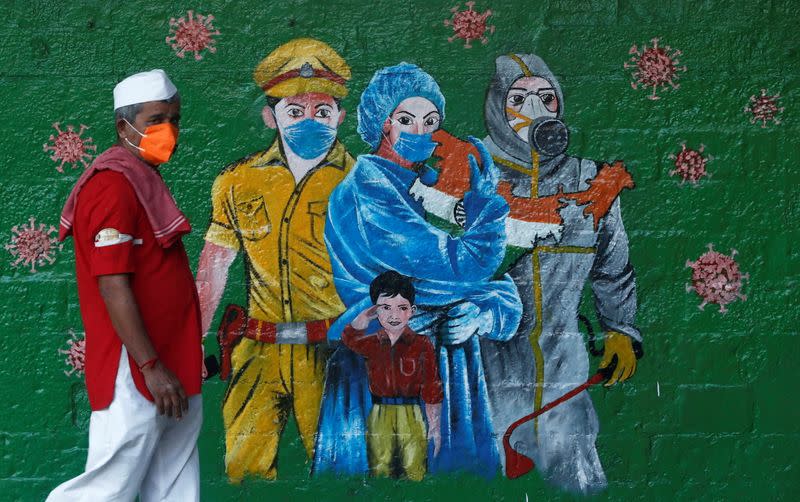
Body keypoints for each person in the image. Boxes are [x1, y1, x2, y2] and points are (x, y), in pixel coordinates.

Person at [313, 63, 522, 478]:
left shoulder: (426, 187)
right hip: (384, 362)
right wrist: (490, 211)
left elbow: (474, 282)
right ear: (383, 124)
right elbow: (461, 267)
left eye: (431, 122)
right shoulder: (368, 191)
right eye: (406, 120)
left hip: (441, 360)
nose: (420, 132)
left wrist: (483, 313)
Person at [478, 53, 642, 494]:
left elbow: (613, 264)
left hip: (563, 366)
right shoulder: (472, 174)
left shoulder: (590, 178)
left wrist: (620, 329)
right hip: (487, 364)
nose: (537, 110)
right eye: (520, 98)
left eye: (546, 98)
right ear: (497, 106)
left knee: (576, 477)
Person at [194, 38, 354, 481]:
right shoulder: (237, 181)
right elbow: (213, 269)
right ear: (271, 115)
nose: (310, 121)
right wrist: (190, 342)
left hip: (333, 352)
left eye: (322, 111)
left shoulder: (361, 181)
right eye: (294, 110)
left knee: (338, 475)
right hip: (255, 350)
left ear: (340, 116)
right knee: (242, 473)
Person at [48, 69, 203, 501]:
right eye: (155, 120)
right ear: (123, 127)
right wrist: (151, 368)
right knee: (107, 487)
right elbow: (112, 285)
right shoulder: (112, 187)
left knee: (176, 486)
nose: (168, 130)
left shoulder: (143, 181)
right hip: (136, 368)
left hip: (172, 363)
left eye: (174, 118)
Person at [342, 271, 443, 481]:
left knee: (414, 467)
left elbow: (432, 386)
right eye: (385, 308)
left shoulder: (422, 344)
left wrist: (435, 426)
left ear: (411, 311)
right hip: (380, 412)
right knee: (380, 465)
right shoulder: (371, 343)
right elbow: (349, 338)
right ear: (376, 311)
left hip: (412, 412)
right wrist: (363, 318)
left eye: (402, 308)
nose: (394, 315)